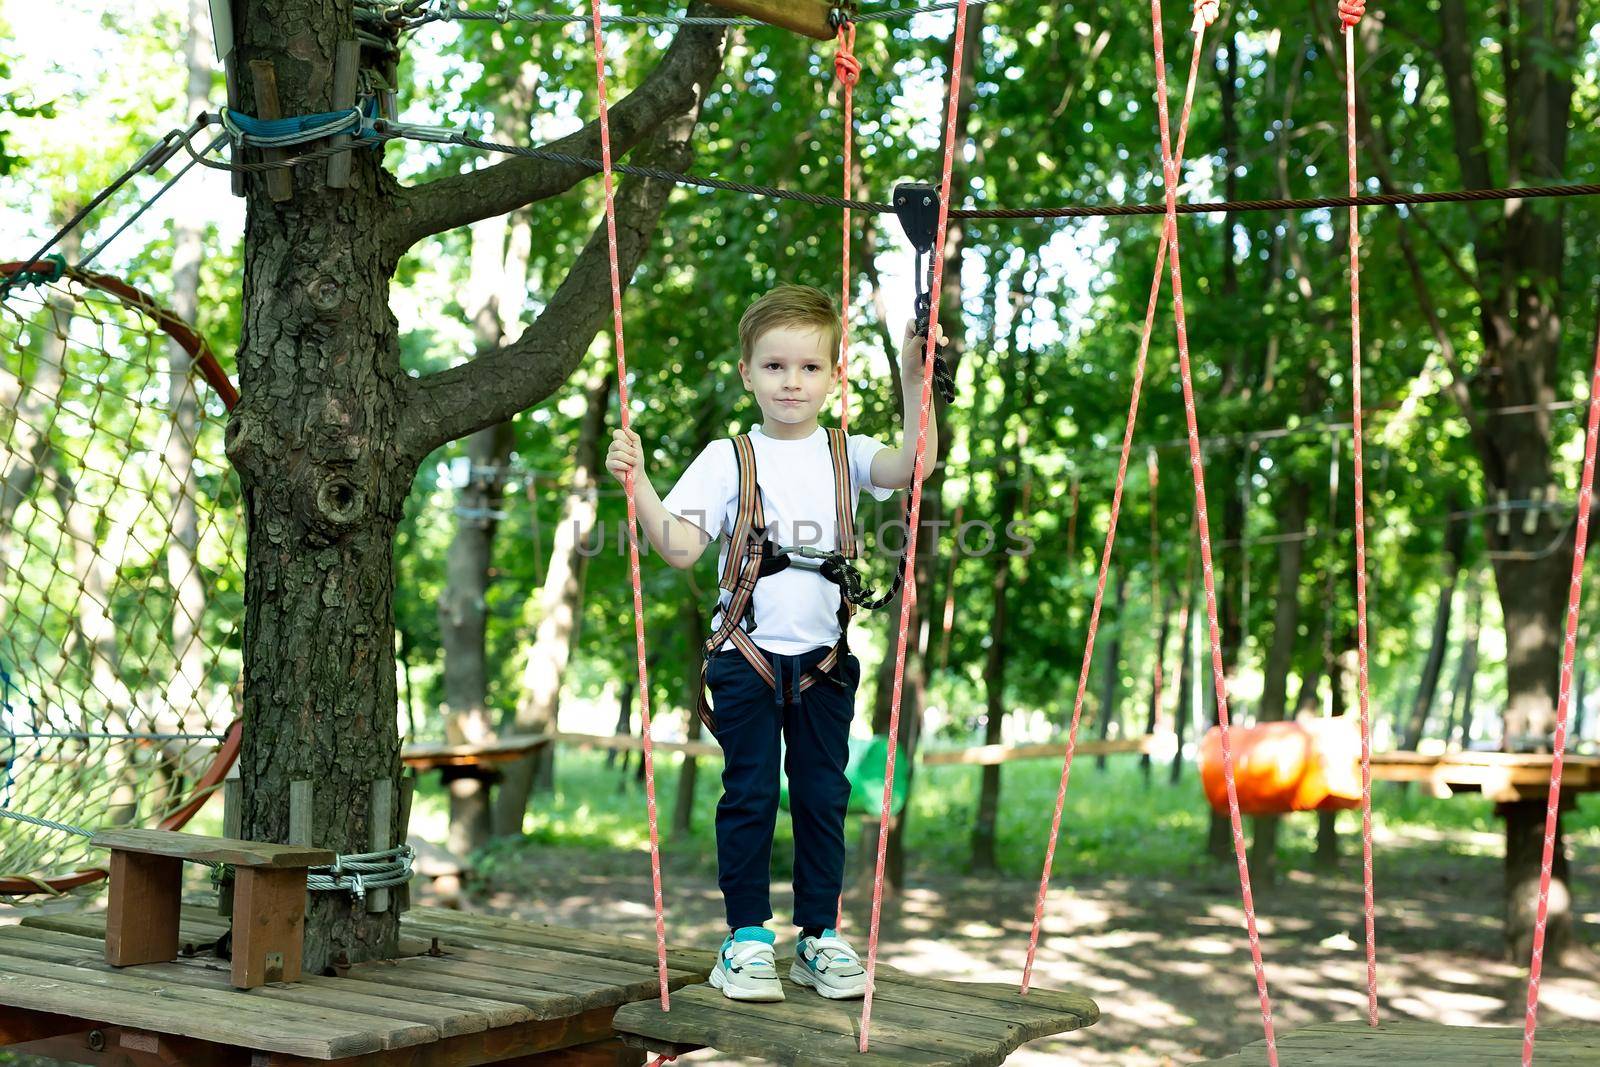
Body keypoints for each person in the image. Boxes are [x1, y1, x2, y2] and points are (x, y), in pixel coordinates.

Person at [605, 283, 942, 1001]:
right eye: (776, 366)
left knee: (823, 796)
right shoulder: (729, 458)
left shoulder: (848, 454)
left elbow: (913, 466)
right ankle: (748, 937)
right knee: (751, 793)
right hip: (745, 658)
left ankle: (818, 935)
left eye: (810, 368)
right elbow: (680, 547)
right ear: (747, 373)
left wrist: (918, 387)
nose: (793, 382)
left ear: (834, 377)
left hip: (822, 663)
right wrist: (637, 485)